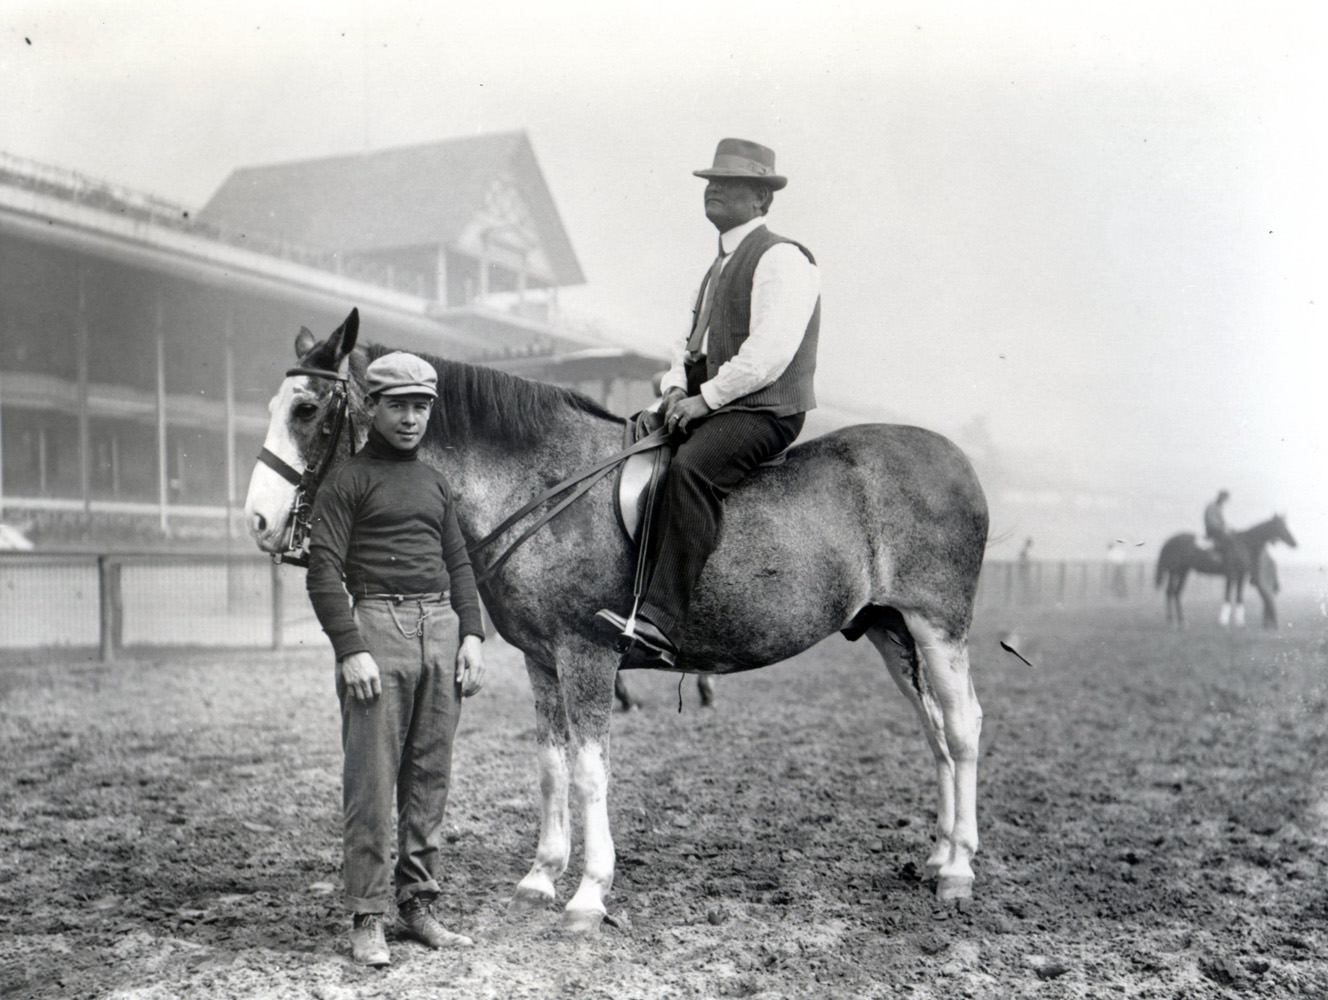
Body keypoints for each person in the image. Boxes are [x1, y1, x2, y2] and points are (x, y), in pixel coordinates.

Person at [596, 137, 821, 665]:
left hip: (764, 409)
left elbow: (768, 354)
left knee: (691, 470)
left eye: (732, 183)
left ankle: (663, 622)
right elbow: (687, 343)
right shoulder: (716, 267)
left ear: (762, 200)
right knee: (632, 452)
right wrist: (674, 386)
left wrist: (702, 401)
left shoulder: (783, 258)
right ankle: (626, 597)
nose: (715, 188)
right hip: (715, 402)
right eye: (711, 181)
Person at [305, 351, 486, 966]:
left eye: (420, 407)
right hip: (377, 627)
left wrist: (473, 636)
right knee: (372, 782)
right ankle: (367, 916)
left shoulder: (435, 481)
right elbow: (323, 570)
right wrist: (350, 648)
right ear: (372, 407)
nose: (411, 419)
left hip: (441, 628)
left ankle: (418, 906)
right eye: (398, 406)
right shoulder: (347, 480)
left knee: (430, 777)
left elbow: (459, 563)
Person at [1203, 489, 1237, 569]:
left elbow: (1222, 521)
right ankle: (1215, 555)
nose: (1224, 500)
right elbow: (1210, 520)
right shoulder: (1211, 506)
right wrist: (1221, 527)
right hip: (1212, 530)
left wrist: (1229, 527)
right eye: (1223, 498)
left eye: (1225, 499)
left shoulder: (1220, 507)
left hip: (1219, 529)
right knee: (1225, 540)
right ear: (1219, 497)